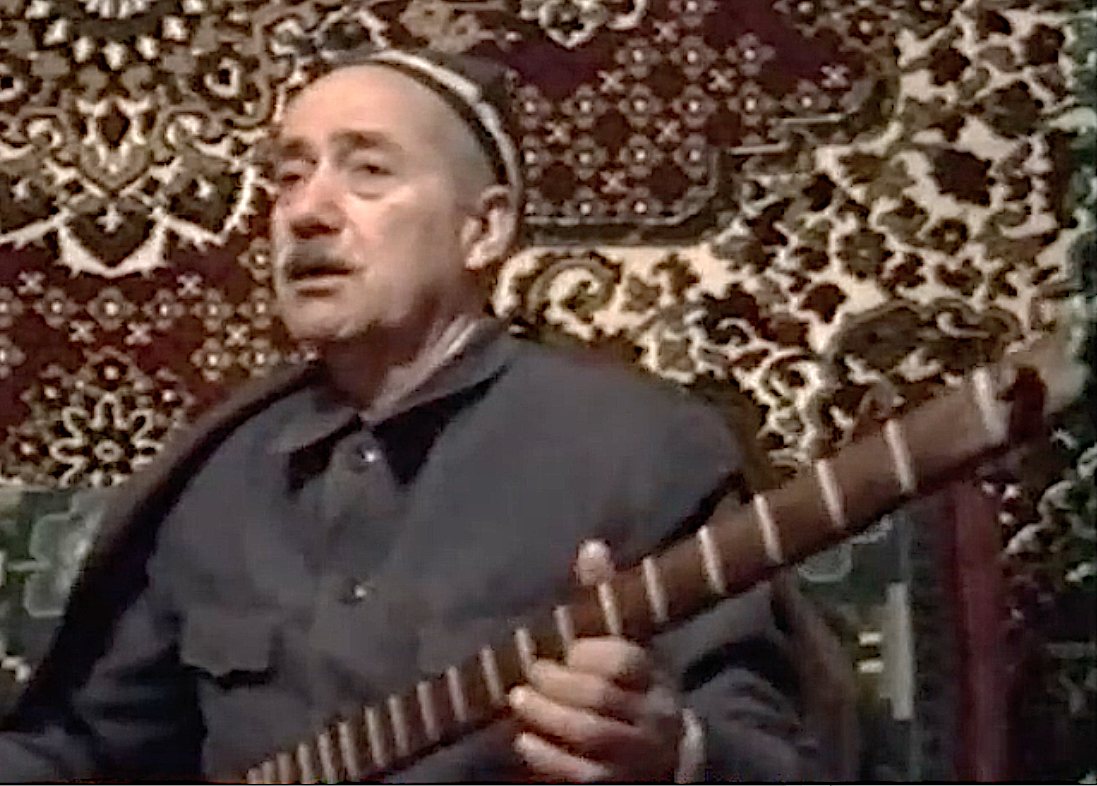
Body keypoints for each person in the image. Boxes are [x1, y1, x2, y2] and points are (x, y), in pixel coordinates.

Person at [0, 48, 821, 782]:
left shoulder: (639, 448)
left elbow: (779, 757)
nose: (306, 210)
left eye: (367, 170)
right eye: (289, 175)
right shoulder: (219, 479)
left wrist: (671, 754)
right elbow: (89, 749)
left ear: (484, 230)